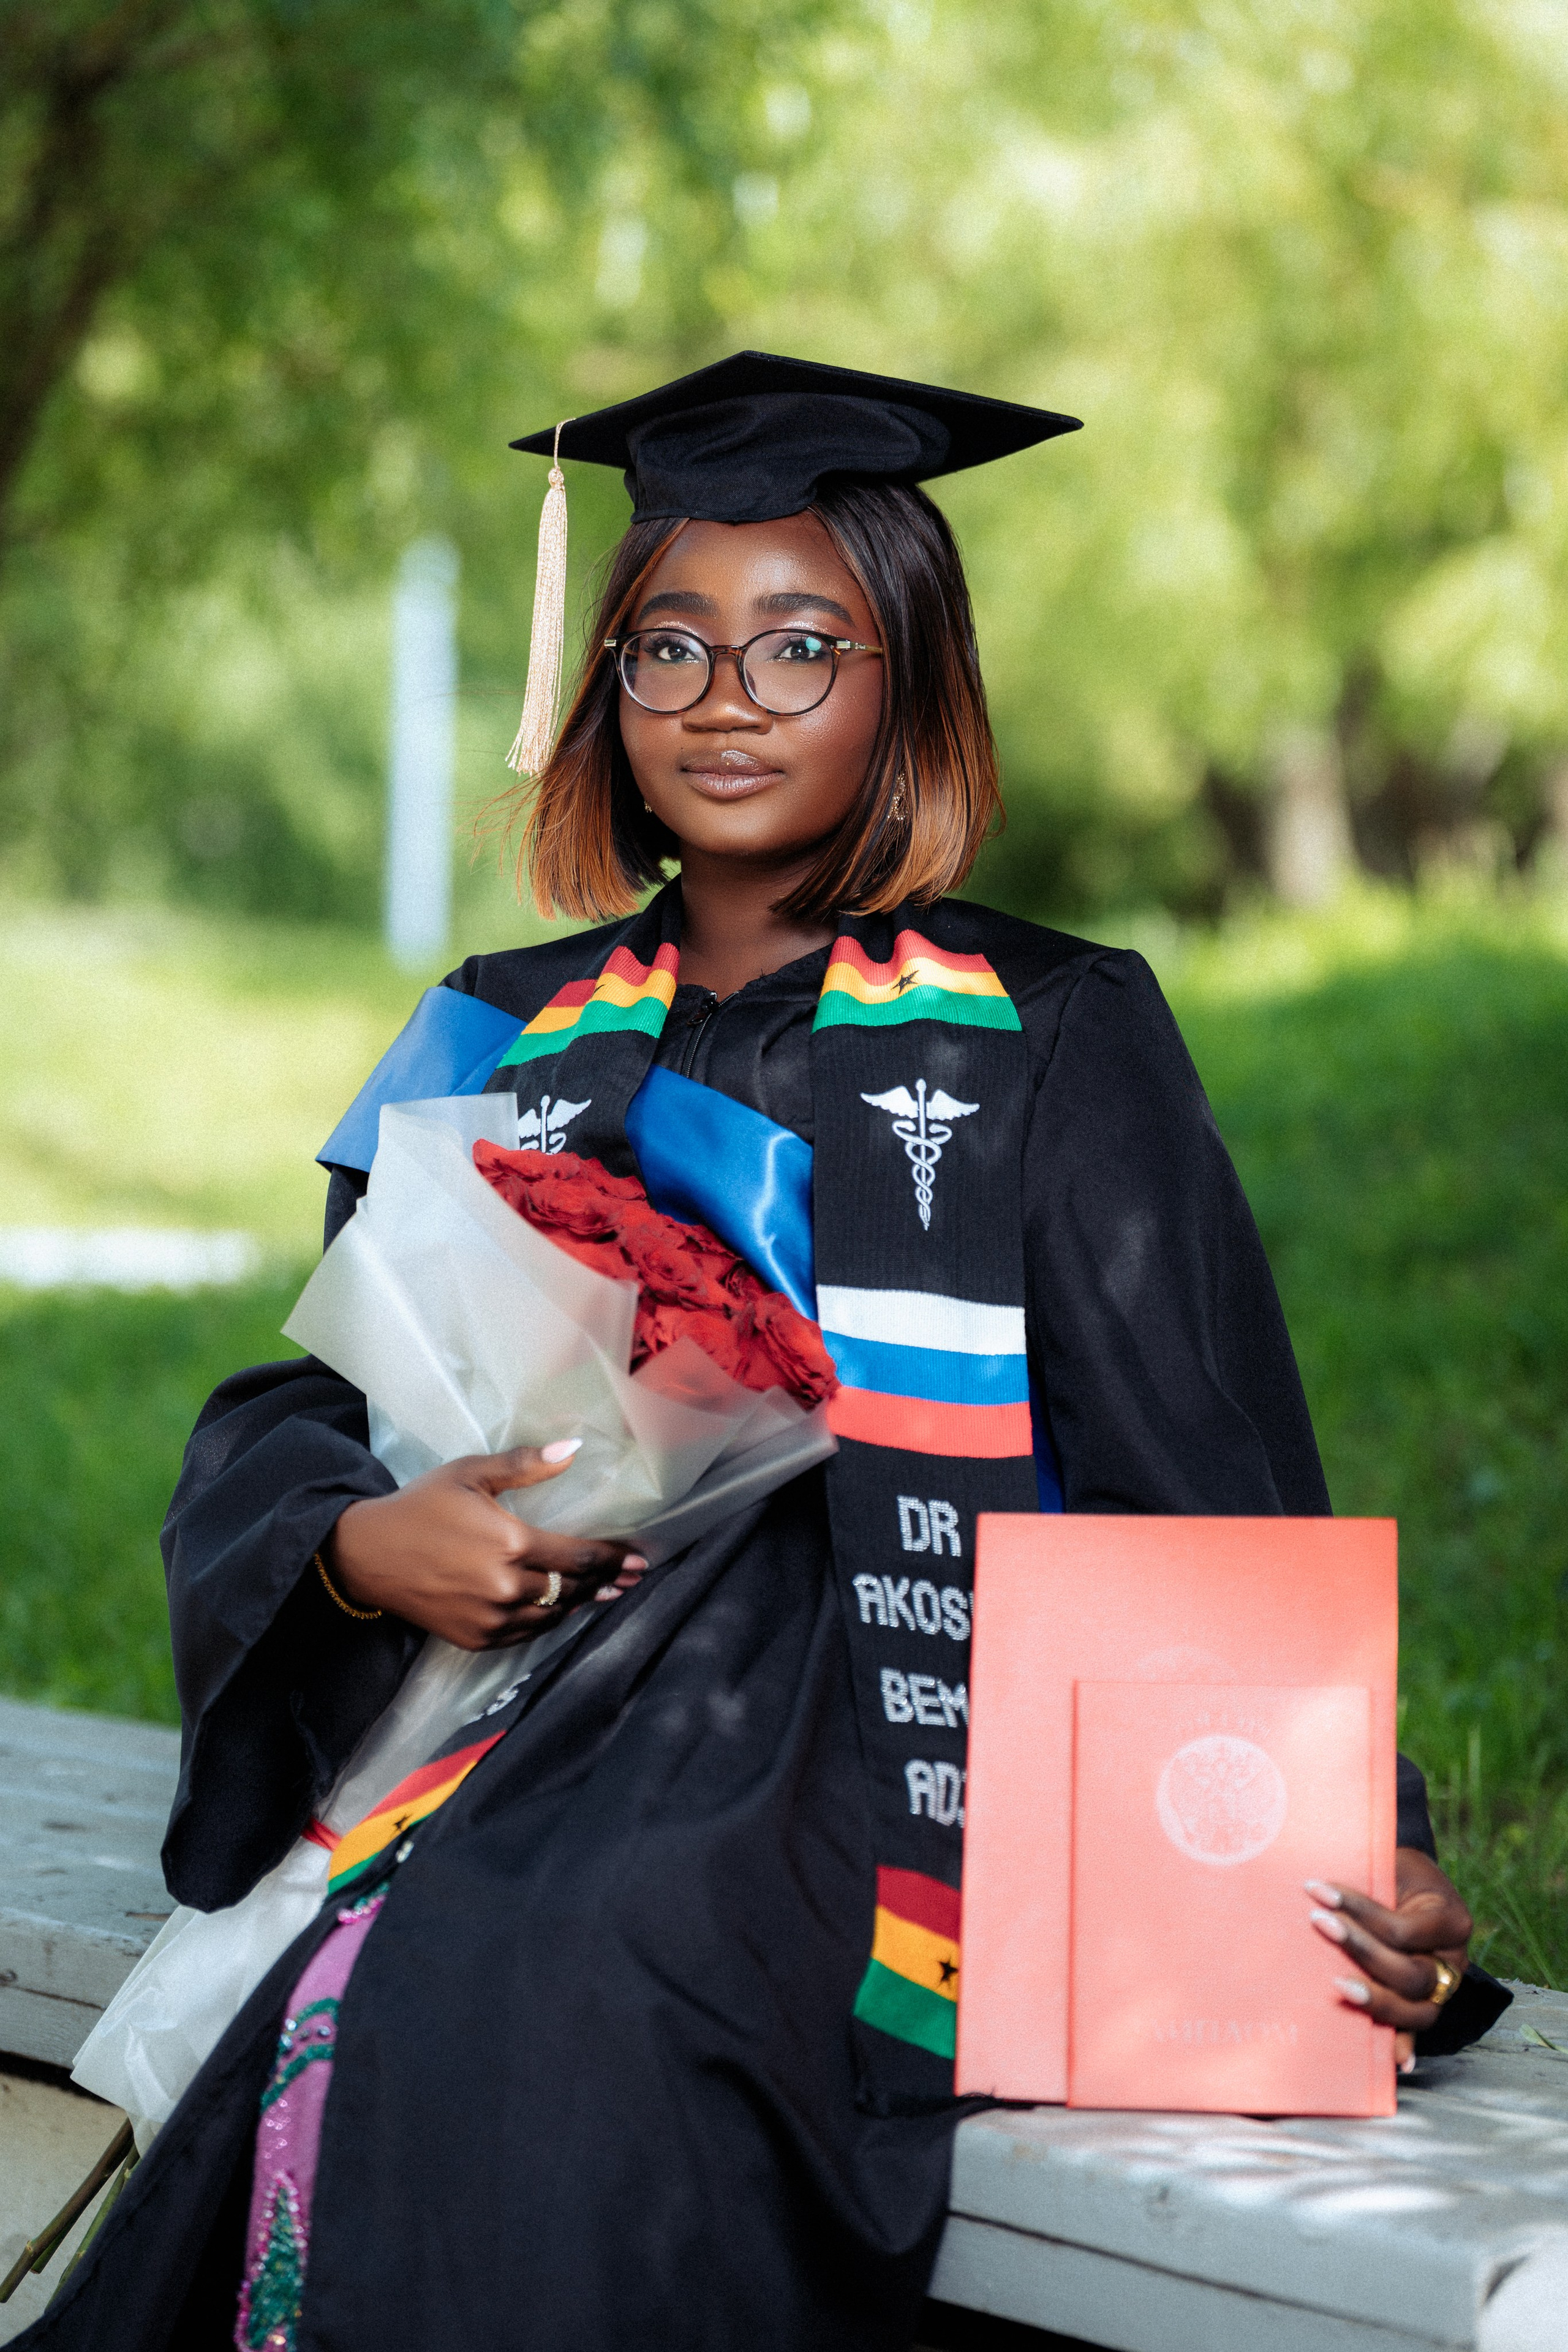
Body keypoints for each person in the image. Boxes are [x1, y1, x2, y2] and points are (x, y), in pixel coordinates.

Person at [23, 353, 1506, 2352]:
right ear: (605, 691)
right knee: (418, 1957)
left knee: (554, 1974)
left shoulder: (1051, 1032)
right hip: (500, 1709)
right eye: (670, 647)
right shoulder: (504, 1025)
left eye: (806, 647)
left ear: (913, 684)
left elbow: (1208, 1467)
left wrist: (1366, 1848)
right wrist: (361, 1545)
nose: (728, 697)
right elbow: (333, 1393)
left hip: (858, 1747)